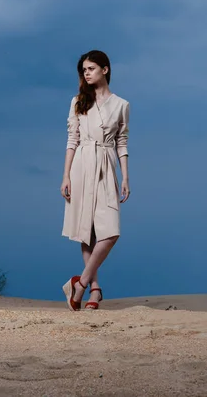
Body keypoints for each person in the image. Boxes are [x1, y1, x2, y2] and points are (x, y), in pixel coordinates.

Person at [60, 50, 130, 311]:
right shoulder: (78, 101)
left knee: (110, 232)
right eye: (84, 70)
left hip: (106, 166)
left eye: (91, 68)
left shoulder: (122, 105)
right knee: (86, 232)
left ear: (105, 69)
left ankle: (81, 283)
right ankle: (95, 290)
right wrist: (65, 175)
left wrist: (125, 177)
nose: (87, 73)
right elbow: (72, 140)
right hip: (81, 165)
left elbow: (122, 142)